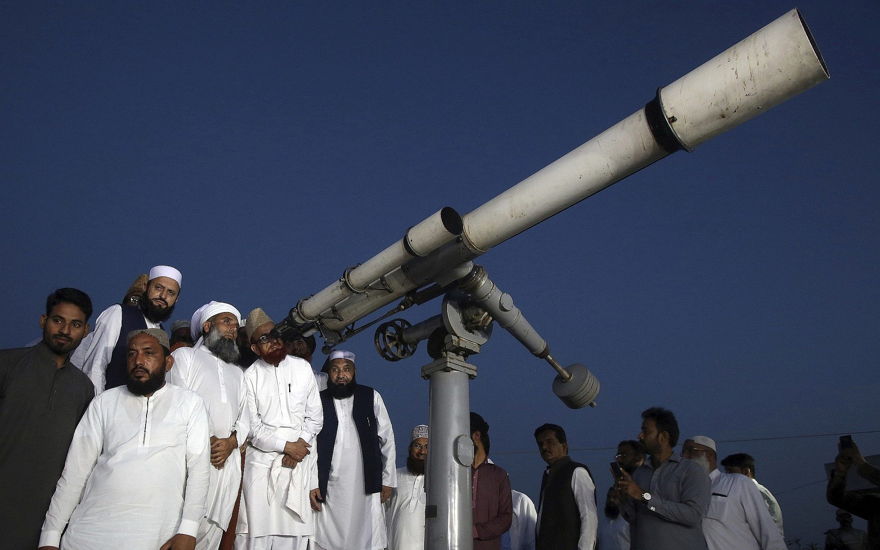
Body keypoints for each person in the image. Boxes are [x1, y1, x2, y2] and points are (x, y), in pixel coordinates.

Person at [39, 328, 210, 550]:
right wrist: (50, 537)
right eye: (131, 354)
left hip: (156, 535)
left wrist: (188, 531)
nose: (138, 360)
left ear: (168, 363)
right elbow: (75, 473)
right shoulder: (104, 402)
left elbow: (199, 471)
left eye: (148, 353)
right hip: (88, 534)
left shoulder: (190, 403)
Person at [0, 288, 95, 549]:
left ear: (85, 331)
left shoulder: (84, 388)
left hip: (38, 518)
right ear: (44, 321)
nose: (65, 330)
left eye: (75, 324)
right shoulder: (7, 364)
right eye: (58, 320)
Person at [239, 308, 323, 550]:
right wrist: (287, 447)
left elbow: (315, 417)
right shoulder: (250, 376)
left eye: (275, 334)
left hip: (299, 462)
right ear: (254, 348)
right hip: (262, 467)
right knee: (256, 537)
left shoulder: (301, 368)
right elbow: (252, 427)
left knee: (294, 538)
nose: (273, 341)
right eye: (264, 339)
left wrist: (299, 448)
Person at [168, 301, 248, 550]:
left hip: (226, 464)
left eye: (235, 325)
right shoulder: (184, 357)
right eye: (226, 322)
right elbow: (177, 402)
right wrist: (212, 440)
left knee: (212, 532)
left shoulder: (239, 372)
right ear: (206, 326)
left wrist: (231, 442)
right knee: (178, 528)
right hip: (191, 458)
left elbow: (247, 417)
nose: (232, 329)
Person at [311, 350, 397, 550]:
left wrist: (388, 480)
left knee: (367, 533)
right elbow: (311, 443)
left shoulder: (371, 396)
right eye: (335, 370)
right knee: (326, 537)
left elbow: (387, 439)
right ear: (329, 373)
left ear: (354, 372)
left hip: (365, 481)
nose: (341, 375)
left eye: (346, 369)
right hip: (330, 484)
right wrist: (311, 483)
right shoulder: (318, 400)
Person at [72, 264, 182, 393]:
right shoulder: (118, 313)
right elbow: (95, 366)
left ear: (176, 300)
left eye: (170, 292)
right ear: (146, 287)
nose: (163, 296)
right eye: (158, 288)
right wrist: (98, 405)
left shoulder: (161, 333)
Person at [616, 406, 710, 550]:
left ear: (663, 437)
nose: (640, 436)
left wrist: (643, 496)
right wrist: (623, 500)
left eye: (645, 431)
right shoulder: (639, 473)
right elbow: (634, 518)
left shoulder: (690, 471)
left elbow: (692, 515)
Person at [681, 436, 785, 550]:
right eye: (683, 452)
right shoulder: (686, 493)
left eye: (691, 451)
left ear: (709, 455)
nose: (684, 456)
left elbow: (768, 533)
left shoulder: (738, 483)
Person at [533, 423, 597, 550]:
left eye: (549, 442)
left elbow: (589, 517)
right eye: (540, 444)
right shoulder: (548, 476)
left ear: (564, 445)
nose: (544, 447)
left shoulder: (577, 472)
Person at [826, 437, 880, 548]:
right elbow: (837, 498)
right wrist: (839, 474)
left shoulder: (860, 534)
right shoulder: (876, 505)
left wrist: (862, 465)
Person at [471, 412, 512, 550]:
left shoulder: (499, 475)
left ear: (476, 436)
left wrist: (475, 531)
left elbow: (506, 518)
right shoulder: (455, 474)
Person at [386, 424, 429, 550]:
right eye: (417, 446)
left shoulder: (439, 482)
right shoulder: (394, 476)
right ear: (410, 448)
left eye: (427, 447)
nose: (422, 451)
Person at [720, 452, 784, 535]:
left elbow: (767, 529)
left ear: (746, 471)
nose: (727, 476)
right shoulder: (743, 492)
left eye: (731, 472)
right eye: (726, 472)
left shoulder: (757, 492)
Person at [600, 440, 646, 550]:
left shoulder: (648, 485)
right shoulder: (611, 517)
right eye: (618, 455)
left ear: (638, 459)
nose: (619, 459)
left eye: (624, 455)